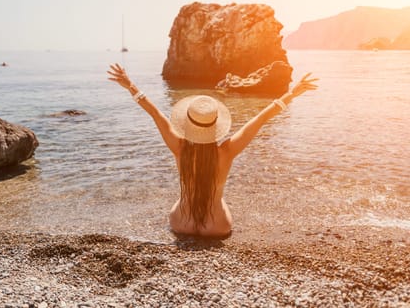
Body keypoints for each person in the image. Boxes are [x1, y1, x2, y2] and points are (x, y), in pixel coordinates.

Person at [107, 63, 318, 237]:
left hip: (182, 223)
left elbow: (155, 113)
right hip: (217, 226)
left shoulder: (180, 148)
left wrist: (131, 86)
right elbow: (260, 118)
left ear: (188, 124)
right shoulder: (226, 151)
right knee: (219, 198)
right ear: (215, 126)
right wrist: (291, 94)